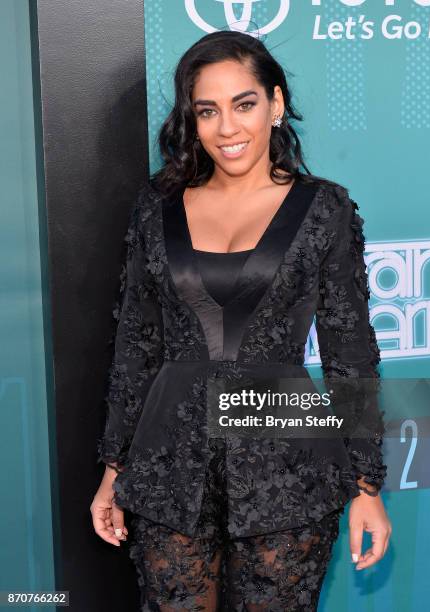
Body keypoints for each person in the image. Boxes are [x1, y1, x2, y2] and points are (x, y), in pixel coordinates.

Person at [90, 30, 392, 611]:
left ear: (275, 105)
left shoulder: (323, 208)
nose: (227, 128)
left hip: (287, 466)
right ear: (192, 120)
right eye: (207, 110)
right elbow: (135, 346)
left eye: (243, 104)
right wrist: (113, 467)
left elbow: (349, 352)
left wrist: (366, 487)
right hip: (168, 466)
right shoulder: (155, 210)